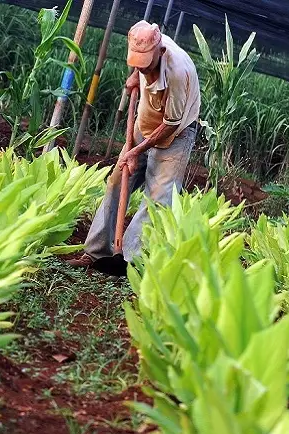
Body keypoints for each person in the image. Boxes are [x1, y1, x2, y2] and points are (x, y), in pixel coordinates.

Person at [67, 20, 200, 272]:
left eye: (146, 66)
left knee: (158, 197)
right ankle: (95, 253)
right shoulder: (145, 51)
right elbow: (141, 65)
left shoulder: (177, 72)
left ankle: (128, 261)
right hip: (146, 121)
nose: (143, 70)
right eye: (136, 64)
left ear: (159, 53)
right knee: (117, 180)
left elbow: (170, 124)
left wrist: (135, 152)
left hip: (177, 132)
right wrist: (134, 76)